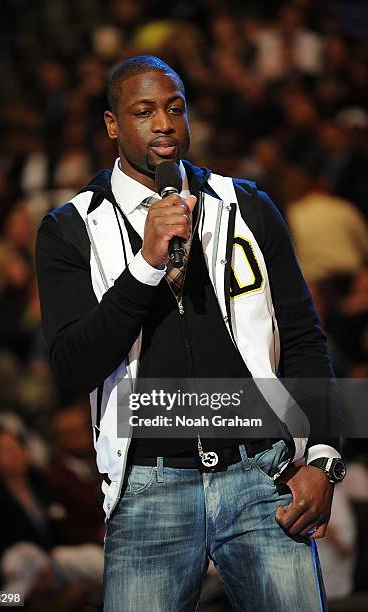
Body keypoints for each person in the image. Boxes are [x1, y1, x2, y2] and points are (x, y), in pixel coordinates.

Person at [36, 55, 345, 611]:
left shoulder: (247, 205)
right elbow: (71, 366)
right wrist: (145, 266)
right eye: (144, 110)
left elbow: (302, 337)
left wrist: (323, 456)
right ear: (112, 125)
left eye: (175, 108)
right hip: (149, 489)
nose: (164, 123)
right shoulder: (70, 228)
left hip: (262, 476)